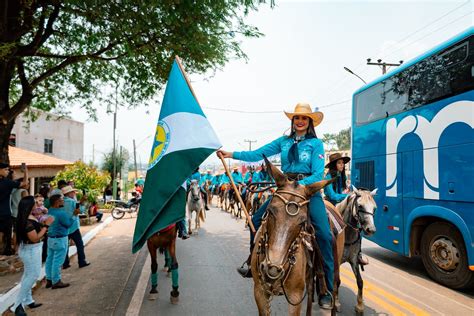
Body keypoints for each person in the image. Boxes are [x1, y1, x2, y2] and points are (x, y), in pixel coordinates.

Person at [217, 102, 335, 309]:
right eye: (296, 118)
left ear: (309, 122)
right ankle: (251, 264)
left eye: (303, 118)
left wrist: (299, 186)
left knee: (325, 235)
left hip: (307, 191)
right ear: (293, 121)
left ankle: (327, 287)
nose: (299, 121)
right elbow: (256, 154)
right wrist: (230, 154)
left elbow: (318, 174)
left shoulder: (316, 144)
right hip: (284, 189)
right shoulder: (283, 141)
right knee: (255, 219)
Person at [11, 196, 54, 316]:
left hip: (28, 249)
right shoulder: (27, 221)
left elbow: (15, 238)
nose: (36, 204)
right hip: (31, 250)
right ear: (29, 206)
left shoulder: (24, 218)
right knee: (33, 275)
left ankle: (28, 300)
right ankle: (17, 306)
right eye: (34, 203)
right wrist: (46, 226)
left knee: (27, 275)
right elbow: (35, 238)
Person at [324, 153, 368, 266]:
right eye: (339, 163)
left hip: (341, 204)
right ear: (334, 165)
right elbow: (333, 196)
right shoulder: (328, 177)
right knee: (327, 228)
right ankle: (327, 252)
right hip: (330, 204)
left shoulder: (341, 176)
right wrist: (347, 196)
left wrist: (348, 194)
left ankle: (358, 253)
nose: (342, 165)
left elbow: (342, 192)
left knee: (357, 223)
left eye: (343, 163)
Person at [45, 191, 77, 289]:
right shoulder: (61, 213)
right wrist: (74, 215)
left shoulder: (49, 210)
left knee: (50, 259)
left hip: (50, 238)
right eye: (62, 200)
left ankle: (49, 280)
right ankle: (56, 281)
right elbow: (68, 224)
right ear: (58, 201)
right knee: (58, 261)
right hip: (60, 239)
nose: (63, 201)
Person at [0, 162, 28, 255]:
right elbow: (25, 183)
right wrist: (26, 172)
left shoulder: (7, 182)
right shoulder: (7, 183)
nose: (7, 171)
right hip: (4, 214)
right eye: (6, 169)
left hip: (5, 213)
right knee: (4, 235)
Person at [61, 186, 90, 269]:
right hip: (73, 226)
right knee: (79, 244)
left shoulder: (61, 202)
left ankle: (65, 263)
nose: (74, 193)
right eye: (72, 192)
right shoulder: (72, 201)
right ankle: (82, 261)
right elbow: (80, 210)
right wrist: (82, 204)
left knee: (65, 246)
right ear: (68, 193)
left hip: (64, 226)